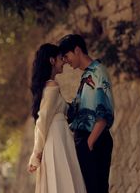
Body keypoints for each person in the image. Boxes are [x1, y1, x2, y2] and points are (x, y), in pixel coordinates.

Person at [59, 34, 114, 193]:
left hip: (95, 141)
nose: (66, 61)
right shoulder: (87, 75)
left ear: (77, 50)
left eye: (66, 56)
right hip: (86, 142)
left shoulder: (98, 71)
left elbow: (103, 114)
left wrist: (89, 144)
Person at [27, 43, 86, 193]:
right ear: (52, 61)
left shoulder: (50, 86)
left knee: (60, 181)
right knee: (63, 180)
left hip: (60, 137)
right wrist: (36, 154)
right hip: (56, 139)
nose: (64, 62)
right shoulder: (52, 86)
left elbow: (64, 110)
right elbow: (43, 120)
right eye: (61, 58)